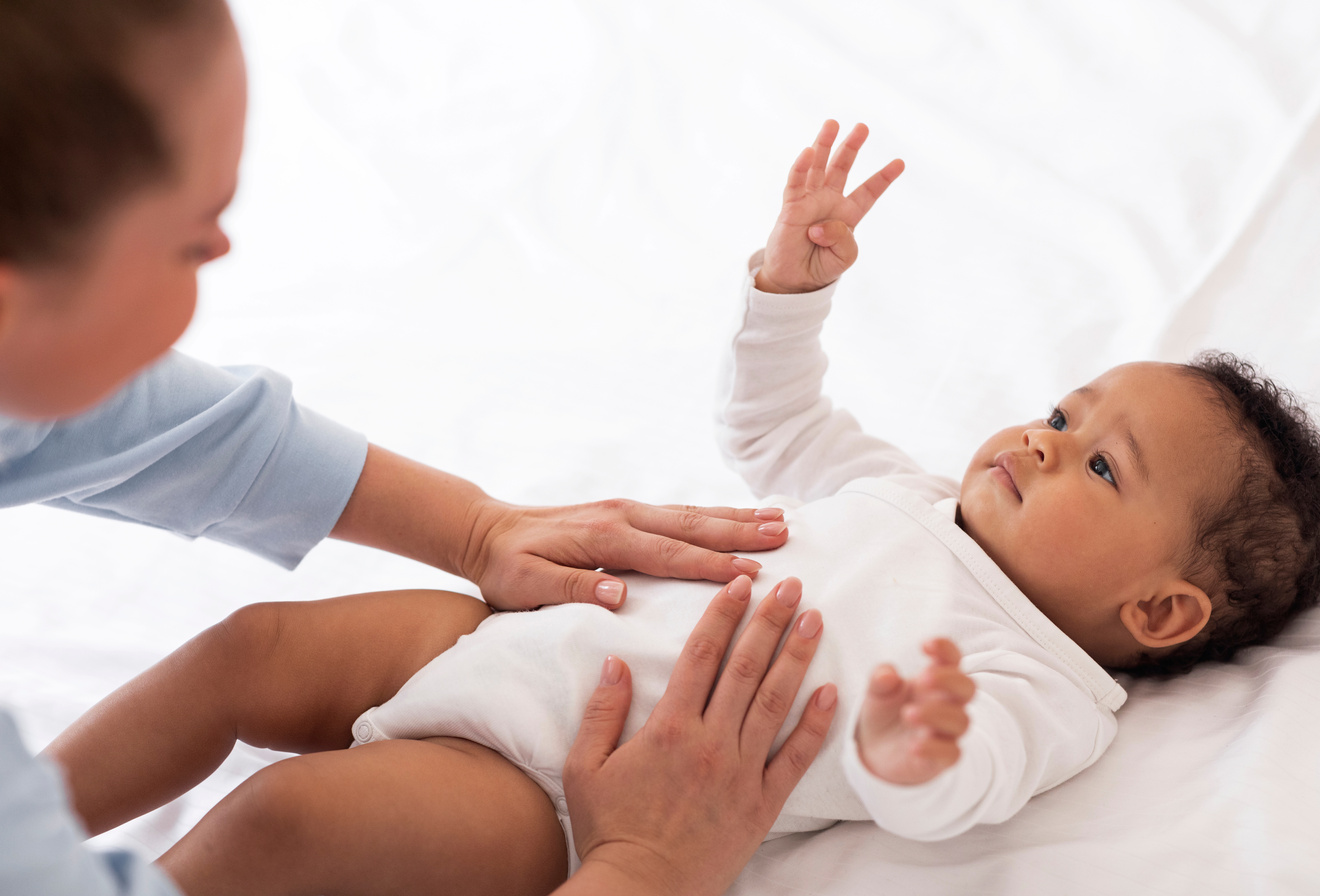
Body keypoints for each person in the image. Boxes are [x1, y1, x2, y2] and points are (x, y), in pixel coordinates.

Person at [44, 119, 1320, 894]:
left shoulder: (1038, 686)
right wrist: (791, 293)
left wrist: (908, 748)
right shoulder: (912, 496)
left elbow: (955, 790)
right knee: (246, 650)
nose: (1046, 447)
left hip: (553, 783)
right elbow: (772, 429)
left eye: (1103, 469)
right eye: (1066, 417)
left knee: (285, 823)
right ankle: (37, 820)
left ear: (1159, 607)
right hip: (489, 632)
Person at [0, 1, 838, 893]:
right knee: (276, 812)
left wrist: (476, 529)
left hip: (525, 667)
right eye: (191, 240)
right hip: (556, 743)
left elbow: (146, 428)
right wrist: (648, 865)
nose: (224, 244)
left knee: (274, 754)